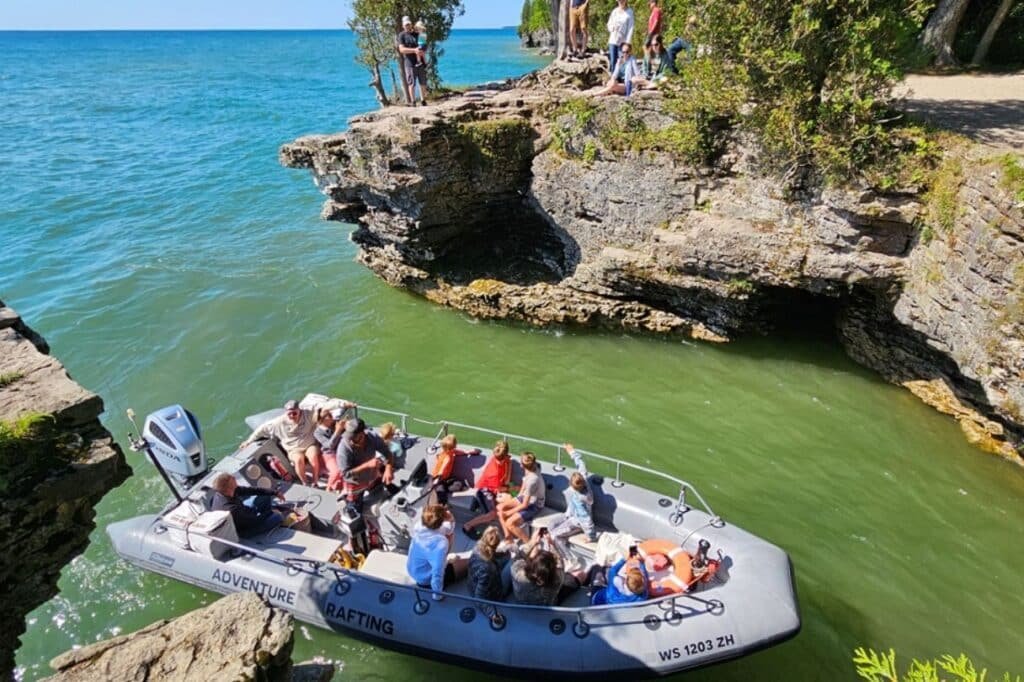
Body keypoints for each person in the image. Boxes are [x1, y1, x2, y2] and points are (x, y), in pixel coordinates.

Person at [242, 398, 353, 487]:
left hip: (310, 444)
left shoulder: (308, 415)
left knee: (313, 455)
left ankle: (315, 480)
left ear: (299, 410)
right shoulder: (278, 423)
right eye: (289, 414)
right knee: (298, 460)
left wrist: (343, 403)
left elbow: (325, 408)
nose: (292, 416)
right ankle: (304, 482)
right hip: (293, 449)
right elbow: (262, 429)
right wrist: (248, 441)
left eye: (294, 413)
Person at [406, 504, 468, 600]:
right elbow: (437, 572)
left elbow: (447, 530)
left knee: (449, 536)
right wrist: (437, 595)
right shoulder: (440, 543)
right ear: (442, 521)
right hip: (426, 580)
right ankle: (446, 562)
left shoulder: (419, 526)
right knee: (471, 562)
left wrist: (451, 520)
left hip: (414, 571)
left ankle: (445, 560)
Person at [548, 444, 597, 561]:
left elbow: (586, 519)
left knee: (554, 535)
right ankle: (560, 542)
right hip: (570, 515)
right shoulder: (583, 479)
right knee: (551, 525)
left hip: (577, 522)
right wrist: (571, 451)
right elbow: (581, 464)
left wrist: (591, 536)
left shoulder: (581, 499)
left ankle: (569, 559)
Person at [336, 417, 393, 506]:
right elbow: (345, 474)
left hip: (373, 476)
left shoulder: (372, 437)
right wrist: (367, 465)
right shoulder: (343, 449)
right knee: (355, 507)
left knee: (380, 497)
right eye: (349, 437)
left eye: (354, 437)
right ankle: (347, 501)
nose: (350, 440)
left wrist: (388, 468)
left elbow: (387, 452)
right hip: (355, 483)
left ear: (363, 433)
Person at [461, 440, 513, 538]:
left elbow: (506, 482)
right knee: (493, 514)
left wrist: (509, 465)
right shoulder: (494, 472)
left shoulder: (503, 459)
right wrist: (512, 488)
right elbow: (501, 487)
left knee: (511, 499)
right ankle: (467, 526)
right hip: (483, 491)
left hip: (494, 489)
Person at [210, 472, 286, 537]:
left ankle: (266, 513)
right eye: (231, 479)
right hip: (245, 529)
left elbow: (251, 490)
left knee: (265, 496)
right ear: (228, 488)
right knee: (278, 517)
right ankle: (269, 515)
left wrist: (275, 492)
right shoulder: (231, 509)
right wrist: (271, 513)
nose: (234, 477)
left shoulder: (227, 491)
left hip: (245, 512)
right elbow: (253, 522)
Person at [497, 452, 545, 543]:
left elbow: (525, 504)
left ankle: (529, 543)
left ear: (523, 465)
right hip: (525, 498)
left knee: (509, 523)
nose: (519, 464)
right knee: (499, 508)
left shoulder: (533, 481)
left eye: (521, 462)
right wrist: (518, 496)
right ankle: (509, 538)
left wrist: (508, 513)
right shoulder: (533, 467)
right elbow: (525, 480)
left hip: (534, 504)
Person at [431, 434, 480, 505]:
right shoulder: (447, 458)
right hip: (439, 480)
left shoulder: (451, 452)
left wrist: (472, 452)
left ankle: (446, 488)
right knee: (441, 495)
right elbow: (441, 470)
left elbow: (461, 452)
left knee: (459, 484)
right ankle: (441, 505)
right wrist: (436, 480)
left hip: (447, 478)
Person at [468, 526, 512, 601]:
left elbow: (493, 554)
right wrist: (492, 612)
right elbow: (479, 597)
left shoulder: (477, 546)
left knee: (508, 555)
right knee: (513, 561)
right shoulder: (487, 568)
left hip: (472, 584)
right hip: (493, 595)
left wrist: (504, 552)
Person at [398, 16, 429, 106]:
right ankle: (413, 102)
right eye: (406, 24)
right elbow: (402, 50)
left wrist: (422, 51)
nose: (407, 26)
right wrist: (414, 50)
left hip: (421, 63)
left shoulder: (417, 33)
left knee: (423, 82)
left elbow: (424, 44)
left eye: (409, 24)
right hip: (410, 63)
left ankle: (423, 100)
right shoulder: (402, 35)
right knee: (411, 83)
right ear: (403, 25)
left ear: (411, 24)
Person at [314, 408, 345, 491]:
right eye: (329, 416)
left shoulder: (334, 423)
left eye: (331, 414)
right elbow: (329, 445)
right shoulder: (318, 432)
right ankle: (328, 488)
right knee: (336, 471)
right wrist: (338, 431)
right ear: (322, 420)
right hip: (329, 454)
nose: (332, 417)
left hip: (341, 450)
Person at [606, 0, 634, 79]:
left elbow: (630, 28)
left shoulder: (629, 12)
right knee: (613, 61)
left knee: (622, 60)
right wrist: (612, 28)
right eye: (619, 0)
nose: (621, 1)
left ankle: (622, 78)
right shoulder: (614, 11)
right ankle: (613, 79)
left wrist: (627, 42)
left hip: (623, 41)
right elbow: (609, 24)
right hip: (613, 40)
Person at [643, 1, 662, 76]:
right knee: (650, 51)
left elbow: (656, 22)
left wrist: (651, 32)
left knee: (646, 48)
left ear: (654, 2)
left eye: (650, 3)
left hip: (654, 34)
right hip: (652, 33)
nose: (649, 5)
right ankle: (648, 69)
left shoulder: (656, 10)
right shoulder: (653, 11)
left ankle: (648, 70)